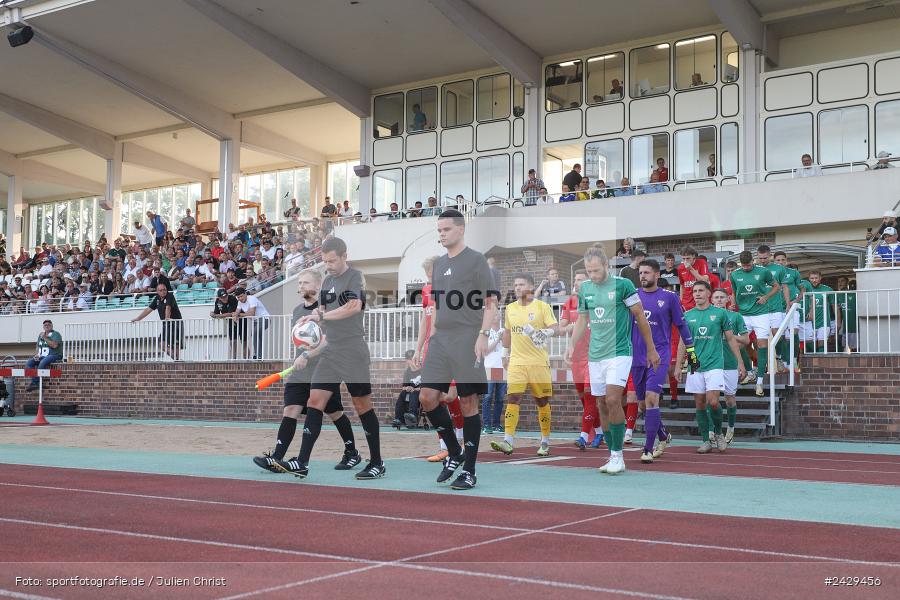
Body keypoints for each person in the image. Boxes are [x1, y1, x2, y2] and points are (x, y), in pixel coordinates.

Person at [274, 237, 384, 480]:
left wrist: (320, 316)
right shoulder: (327, 282)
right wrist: (312, 318)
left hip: (353, 350)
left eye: (332, 260)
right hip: (331, 351)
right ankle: (302, 462)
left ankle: (376, 461)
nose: (329, 265)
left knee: (362, 406)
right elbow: (321, 312)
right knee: (315, 401)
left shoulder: (354, 277)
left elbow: (353, 307)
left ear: (344, 256)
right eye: (325, 261)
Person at [416, 209, 499, 490]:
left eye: (446, 229)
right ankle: (454, 451)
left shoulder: (476, 261)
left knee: (468, 403)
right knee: (427, 398)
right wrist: (432, 339)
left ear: (460, 229)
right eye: (439, 230)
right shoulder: (438, 265)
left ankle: (470, 470)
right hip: (442, 340)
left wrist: (483, 335)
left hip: (468, 337)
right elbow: (437, 306)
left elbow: (491, 303)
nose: (441, 234)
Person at [254, 269, 361, 473]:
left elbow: (331, 341)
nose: (301, 286)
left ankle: (352, 453)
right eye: (300, 283)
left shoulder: (328, 310)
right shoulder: (297, 311)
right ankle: (277, 458)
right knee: (290, 410)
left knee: (335, 412)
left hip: (324, 368)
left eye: (305, 282)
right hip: (300, 370)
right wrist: (301, 355)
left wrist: (308, 356)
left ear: (318, 286)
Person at [565, 245, 659, 475]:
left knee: (613, 399)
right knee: (601, 404)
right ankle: (612, 454)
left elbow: (639, 316)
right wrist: (571, 345)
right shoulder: (585, 289)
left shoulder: (623, 285)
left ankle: (618, 456)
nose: (593, 276)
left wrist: (651, 349)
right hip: (595, 355)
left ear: (606, 266)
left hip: (619, 352)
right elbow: (581, 321)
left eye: (596, 270)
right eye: (589, 271)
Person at [632, 259, 697, 462]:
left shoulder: (669, 297)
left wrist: (692, 352)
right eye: (641, 272)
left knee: (652, 399)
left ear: (657, 275)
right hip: (637, 355)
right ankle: (662, 435)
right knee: (642, 404)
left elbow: (682, 326)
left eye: (647, 273)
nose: (643, 276)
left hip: (659, 355)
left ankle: (648, 449)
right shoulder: (632, 296)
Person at [490, 274, 559, 457]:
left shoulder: (542, 307)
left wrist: (544, 332)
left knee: (541, 401)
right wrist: (505, 354)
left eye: (521, 284)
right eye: (515, 285)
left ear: (531, 286)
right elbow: (508, 333)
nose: (517, 288)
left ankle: (544, 441)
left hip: (538, 363)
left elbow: (557, 327)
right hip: (517, 362)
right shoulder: (511, 308)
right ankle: (508, 441)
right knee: (513, 398)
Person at [675, 281, 745, 453]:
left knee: (713, 402)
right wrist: (678, 365)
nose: (697, 294)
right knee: (699, 403)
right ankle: (706, 440)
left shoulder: (720, 313)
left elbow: (730, 339)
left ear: (708, 293)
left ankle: (719, 434)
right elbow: (683, 342)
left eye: (701, 291)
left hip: (715, 363)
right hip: (695, 363)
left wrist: (740, 362)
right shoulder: (688, 315)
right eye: (694, 291)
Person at [413, 255, 466, 461]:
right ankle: (445, 446)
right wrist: (418, 349)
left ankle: (459, 441)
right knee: (433, 399)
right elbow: (425, 322)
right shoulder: (427, 291)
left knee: (451, 397)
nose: (429, 281)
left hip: (449, 349)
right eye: (427, 277)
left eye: (432, 276)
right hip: (431, 350)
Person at [560, 270, 604, 449]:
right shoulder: (569, 302)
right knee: (584, 399)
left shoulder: (597, 300)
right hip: (576, 358)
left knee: (589, 395)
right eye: (575, 280)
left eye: (581, 280)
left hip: (593, 357)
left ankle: (583, 436)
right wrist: (569, 346)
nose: (577, 283)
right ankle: (600, 432)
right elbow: (562, 328)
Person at [728, 250, 779, 397]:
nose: (746, 268)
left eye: (748, 265)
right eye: (743, 266)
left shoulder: (763, 272)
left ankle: (760, 382)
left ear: (753, 261)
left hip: (761, 313)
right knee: (739, 344)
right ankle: (750, 372)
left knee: (762, 344)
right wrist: (733, 304)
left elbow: (776, 287)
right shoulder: (735, 274)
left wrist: (766, 297)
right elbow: (733, 291)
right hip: (743, 314)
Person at [711, 288, 750, 444]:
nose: (719, 300)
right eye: (716, 297)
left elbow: (746, 340)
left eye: (722, 297)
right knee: (711, 399)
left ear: (728, 299)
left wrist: (729, 335)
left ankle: (731, 429)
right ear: (711, 299)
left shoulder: (735, 316)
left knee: (729, 399)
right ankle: (712, 431)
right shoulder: (705, 316)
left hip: (729, 363)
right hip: (710, 364)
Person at [756, 245, 792, 374]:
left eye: (765, 258)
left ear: (770, 256)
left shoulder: (778, 269)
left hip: (776, 308)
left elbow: (785, 287)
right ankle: (761, 366)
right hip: (759, 310)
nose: (763, 260)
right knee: (760, 340)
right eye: (760, 258)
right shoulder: (754, 269)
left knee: (778, 335)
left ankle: (779, 358)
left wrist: (787, 304)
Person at [132, 283, 183, 360]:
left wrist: (167, 317)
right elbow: (149, 309)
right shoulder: (157, 298)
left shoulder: (170, 296)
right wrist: (138, 318)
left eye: (164, 290)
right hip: (166, 324)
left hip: (175, 322)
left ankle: (177, 359)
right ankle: (176, 358)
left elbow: (168, 308)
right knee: (162, 344)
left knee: (175, 343)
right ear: (157, 291)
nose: (163, 292)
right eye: (161, 290)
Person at [774, 251, 804, 371]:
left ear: (786, 260)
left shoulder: (793, 272)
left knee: (792, 334)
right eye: (778, 260)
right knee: (779, 338)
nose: (780, 262)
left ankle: (792, 362)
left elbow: (803, 289)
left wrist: (796, 300)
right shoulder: (770, 273)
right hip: (776, 309)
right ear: (774, 261)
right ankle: (780, 358)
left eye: (782, 260)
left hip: (791, 308)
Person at [480, 311, 505, 434]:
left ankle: (496, 424)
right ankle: (486, 425)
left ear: (500, 317)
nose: (495, 317)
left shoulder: (504, 331)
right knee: (487, 397)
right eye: (493, 315)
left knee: (500, 398)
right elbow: (485, 351)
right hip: (489, 368)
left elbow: (508, 347)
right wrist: (497, 340)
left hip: (502, 368)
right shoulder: (485, 332)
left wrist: (503, 338)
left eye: (497, 314)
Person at [803, 270, 839, 352]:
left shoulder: (828, 289)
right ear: (809, 279)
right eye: (812, 278)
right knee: (810, 346)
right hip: (809, 323)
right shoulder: (804, 290)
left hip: (824, 322)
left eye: (816, 278)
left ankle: (820, 364)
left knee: (822, 345)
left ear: (820, 278)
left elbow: (834, 306)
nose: (814, 280)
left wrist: (837, 321)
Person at [25, 319, 62, 392]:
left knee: (42, 362)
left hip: (54, 355)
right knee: (29, 363)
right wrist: (37, 355)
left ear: (52, 326)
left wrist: (45, 337)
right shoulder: (41, 335)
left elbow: (54, 345)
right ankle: (36, 382)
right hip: (42, 355)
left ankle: (35, 383)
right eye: (45, 325)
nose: (47, 326)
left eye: (48, 325)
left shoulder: (56, 334)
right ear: (43, 327)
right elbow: (38, 346)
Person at [235, 287, 271, 360]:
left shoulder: (251, 298)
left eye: (241, 296)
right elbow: (236, 312)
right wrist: (235, 315)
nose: (240, 299)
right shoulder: (239, 302)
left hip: (264, 319)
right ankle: (259, 356)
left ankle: (257, 355)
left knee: (254, 333)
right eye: (238, 297)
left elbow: (252, 313)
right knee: (257, 336)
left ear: (245, 294)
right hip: (255, 321)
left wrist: (239, 315)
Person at [394, 349, 422, 428]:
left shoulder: (423, 370)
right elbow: (404, 387)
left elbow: (427, 387)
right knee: (403, 393)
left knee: (414, 393)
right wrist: (407, 387)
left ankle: (413, 415)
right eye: (409, 359)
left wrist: (415, 389)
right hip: (410, 392)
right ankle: (398, 419)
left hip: (421, 393)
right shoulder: (407, 372)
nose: (411, 361)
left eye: (412, 359)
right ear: (407, 361)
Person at [677, 246, 710, 310]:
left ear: (693, 256)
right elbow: (682, 285)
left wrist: (691, 269)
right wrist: (681, 301)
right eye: (683, 259)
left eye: (688, 258)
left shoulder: (702, 263)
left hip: (699, 302)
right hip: (686, 303)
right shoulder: (680, 268)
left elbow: (704, 281)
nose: (685, 261)